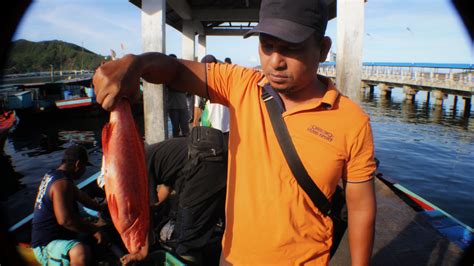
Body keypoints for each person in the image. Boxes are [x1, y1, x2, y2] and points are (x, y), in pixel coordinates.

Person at [93, 0, 377, 264]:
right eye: (267, 45)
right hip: (234, 258)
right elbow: (175, 71)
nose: (275, 61)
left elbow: (361, 207)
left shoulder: (351, 121)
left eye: (291, 48)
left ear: (323, 48)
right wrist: (135, 64)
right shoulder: (242, 85)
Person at [146, 127, 227, 264]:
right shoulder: (154, 153)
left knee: (185, 241)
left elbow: (145, 211)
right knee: (218, 216)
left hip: (202, 169)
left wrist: (145, 246)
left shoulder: (139, 167)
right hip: (216, 163)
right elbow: (165, 188)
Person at [31, 145, 106, 265]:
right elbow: (65, 221)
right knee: (80, 251)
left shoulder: (55, 176)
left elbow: (83, 198)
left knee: (97, 234)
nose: (84, 171)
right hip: (46, 245)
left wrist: (103, 207)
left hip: (61, 237)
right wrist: (95, 230)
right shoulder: (62, 183)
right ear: (77, 164)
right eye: (84, 167)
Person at [192, 55, 230, 143]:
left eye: (210, 67)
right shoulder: (199, 85)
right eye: (205, 67)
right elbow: (198, 106)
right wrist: (195, 124)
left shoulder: (225, 81)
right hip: (208, 127)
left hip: (225, 127)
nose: (208, 70)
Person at [166, 54, 190, 137]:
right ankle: (176, 146)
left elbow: (187, 88)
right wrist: (182, 88)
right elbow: (170, 86)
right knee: (175, 129)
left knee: (185, 129)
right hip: (173, 107)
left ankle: (186, 146)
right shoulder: (167, 74)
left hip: (183, 106)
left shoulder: (181, 72)